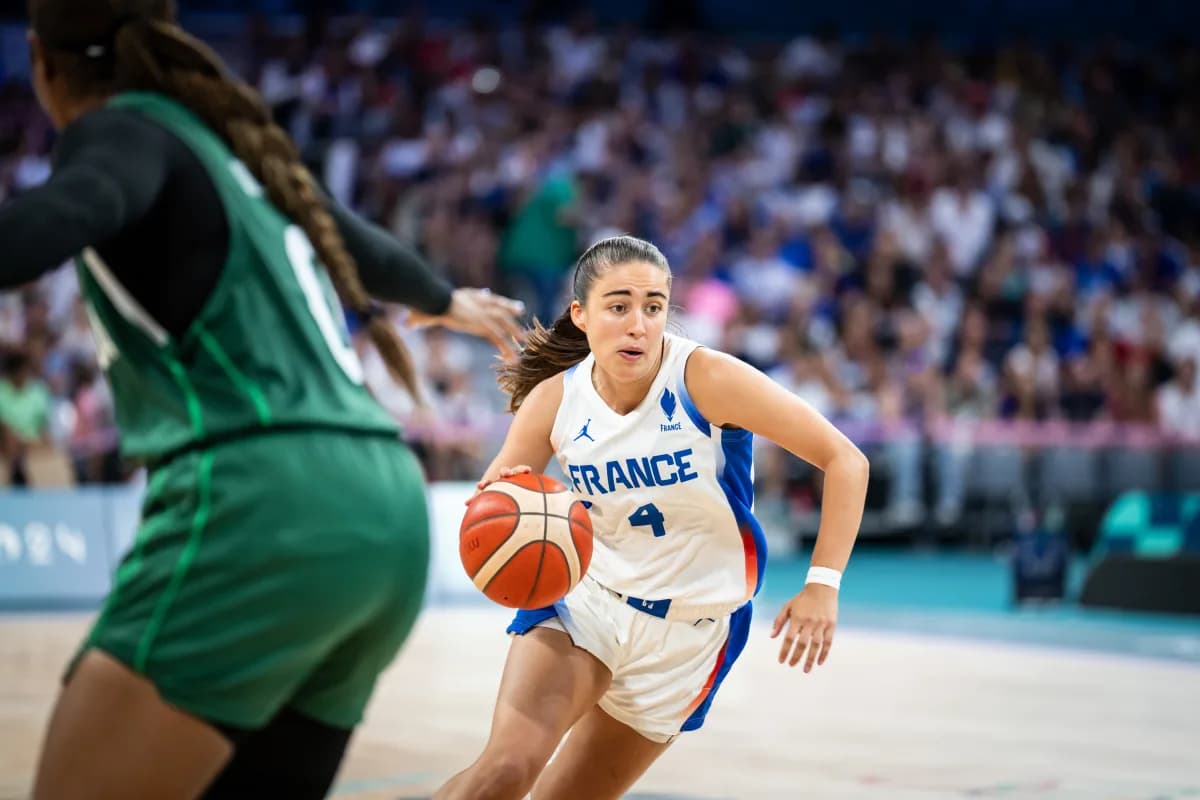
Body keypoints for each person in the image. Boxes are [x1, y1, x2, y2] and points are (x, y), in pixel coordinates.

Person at [2, 1, 525, 798]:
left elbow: (66, 211)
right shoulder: (237, 155)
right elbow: (351, 237)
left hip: (265, 504)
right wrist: (445, 298)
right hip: (384, 510)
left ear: (41, 61)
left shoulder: (122, 131)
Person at [435, 235, 870, 800]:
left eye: (654, 306)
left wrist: (822, 585)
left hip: (692, 633)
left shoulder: (706, 379)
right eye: (618, 306)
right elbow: (495, 504)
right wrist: (504, 520)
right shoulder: (554, 400)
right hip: (589, 603)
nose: (638, 323)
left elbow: (846, 460)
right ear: (582, 316)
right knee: (503, 773)